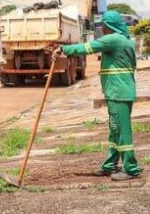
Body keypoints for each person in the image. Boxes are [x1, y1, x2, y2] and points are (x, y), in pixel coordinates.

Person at [54, 10, 141, 181]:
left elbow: (86, 48)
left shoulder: (113, 39)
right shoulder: (125, 40)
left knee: (122, 131)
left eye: (104, 25)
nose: (102, 29)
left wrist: (63, 49)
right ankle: (110, 165)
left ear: (109, 25)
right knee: (115, 131)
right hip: (120, 91)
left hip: (118, 92)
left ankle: (131, 168)